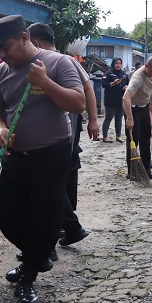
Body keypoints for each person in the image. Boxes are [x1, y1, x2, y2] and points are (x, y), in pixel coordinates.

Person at [0, 15, 84, 303]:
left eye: (6, 47)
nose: (2, 54)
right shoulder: (1, 71)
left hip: (52, 154)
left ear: (25, 37)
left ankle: (27, 276)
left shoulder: (57, 63)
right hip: (17, 156)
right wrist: (0, 128)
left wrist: (44, 82)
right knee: (6, 212)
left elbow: (77, 103)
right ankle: (37, 256)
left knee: (45, 214)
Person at [27, 22, 97, 248]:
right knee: (55, 180)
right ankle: (70, 228)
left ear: (35, 42)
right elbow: (89, 89)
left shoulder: (59, 62)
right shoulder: (67, 61)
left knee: (50, 182)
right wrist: (93, 120)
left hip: (59, 134)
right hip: (65, 134)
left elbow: (86, 91)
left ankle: (56, 235)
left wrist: (94, 120)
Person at [122, 56, 152, 181]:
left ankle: (146, 169)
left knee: (146, 138)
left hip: (144, 107)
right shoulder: (138, 78)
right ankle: (131, 171)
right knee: (133, 140)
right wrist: (129, 118)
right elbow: (125, 98)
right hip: (132, 108)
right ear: (146, 66)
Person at [100, 57, 127, 142]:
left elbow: (129, 84)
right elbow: (103, 84)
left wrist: (126, 87)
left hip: (120, 100)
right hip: (110, 101)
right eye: (116, 63)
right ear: (113, 64)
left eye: (119, 63)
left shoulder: (124, 74)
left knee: (119, 119)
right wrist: (112, 84)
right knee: (108, 118)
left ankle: (118, 136)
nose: (118, 65)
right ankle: (105, 136)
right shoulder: (108, 73)